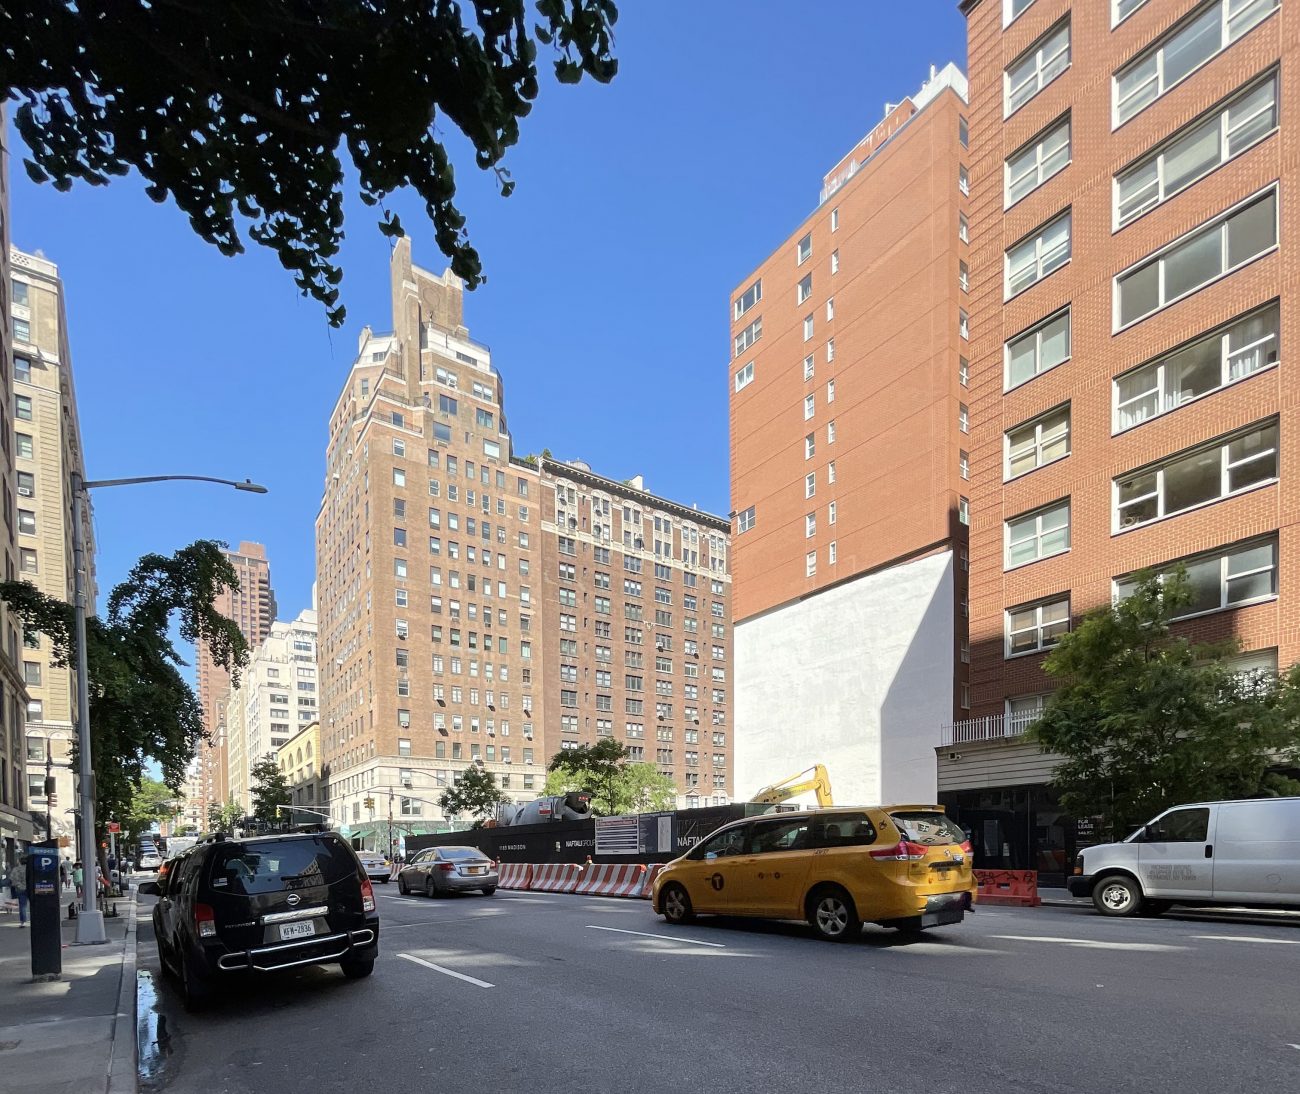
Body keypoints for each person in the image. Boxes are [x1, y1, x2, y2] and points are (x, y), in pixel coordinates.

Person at [7, 855, 28, 927]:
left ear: (20, 861)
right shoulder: (30, 869)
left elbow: (11, 878)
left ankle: (23, 922)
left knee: (22, 905)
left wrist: (17, 885)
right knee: (35, 905)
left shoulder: (16, 869)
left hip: (20, 889)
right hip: (30, 889)